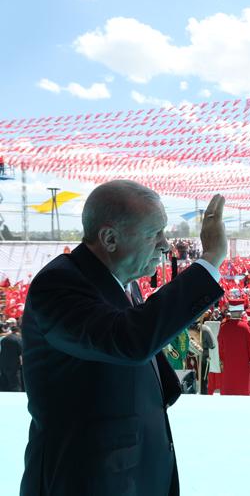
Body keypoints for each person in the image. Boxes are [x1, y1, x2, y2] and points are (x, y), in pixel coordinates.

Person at [19, 181, 226, 495]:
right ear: (110, 238)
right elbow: (130, 339)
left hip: (131, 473)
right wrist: (208, 261)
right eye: (154, 233)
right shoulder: (58, 286)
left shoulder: (124, 282)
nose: (165, 245)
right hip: (86, 480)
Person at [218, 299, 250, 395]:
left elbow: (220, 346)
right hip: (243, 365)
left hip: (228, 363)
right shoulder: (245, 327)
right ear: (240, 312)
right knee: (242, 391)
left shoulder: (223, 327)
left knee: (229, 390)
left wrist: (222, 360)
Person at [0, 325, 23, 391]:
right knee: (15, 385)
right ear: (18, 331)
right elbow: (22, 353)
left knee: (4, 384)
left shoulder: (4, 339)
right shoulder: (19, 339)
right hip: (14, 366)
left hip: (3, 364)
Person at [199, 316, 218, 395]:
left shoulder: (186, 328)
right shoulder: (205, 329)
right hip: (203, 357)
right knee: (203, 380)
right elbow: (212, 345)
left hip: (190, 357)